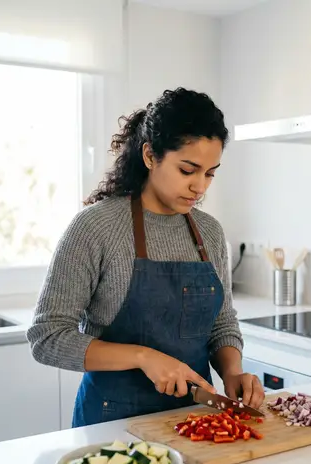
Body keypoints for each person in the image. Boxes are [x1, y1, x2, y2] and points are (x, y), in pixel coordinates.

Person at [26, 87, 265, 427]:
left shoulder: (208, 232)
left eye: (210, 173)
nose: (200, 186)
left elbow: (222, 323)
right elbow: (47, 338)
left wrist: (232, 371)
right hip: (110, 424)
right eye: (188, 170)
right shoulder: (96, 227)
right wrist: (143, 357)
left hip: (195, 421)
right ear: (150, 156)